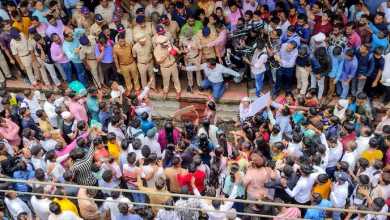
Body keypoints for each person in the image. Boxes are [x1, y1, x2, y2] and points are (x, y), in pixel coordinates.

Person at [154, 35, 182, 100]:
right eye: (164, 43)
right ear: (160, 44)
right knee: (166, 80)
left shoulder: (169, 43)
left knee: (176, 79)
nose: (166, 44)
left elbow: (176, 50)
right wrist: (165, 55)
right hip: (165, 67)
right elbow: (159, 61)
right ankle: (165, 91)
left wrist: (182, 52)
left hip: (173, 64)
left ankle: (178, 91)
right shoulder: (156, 50)